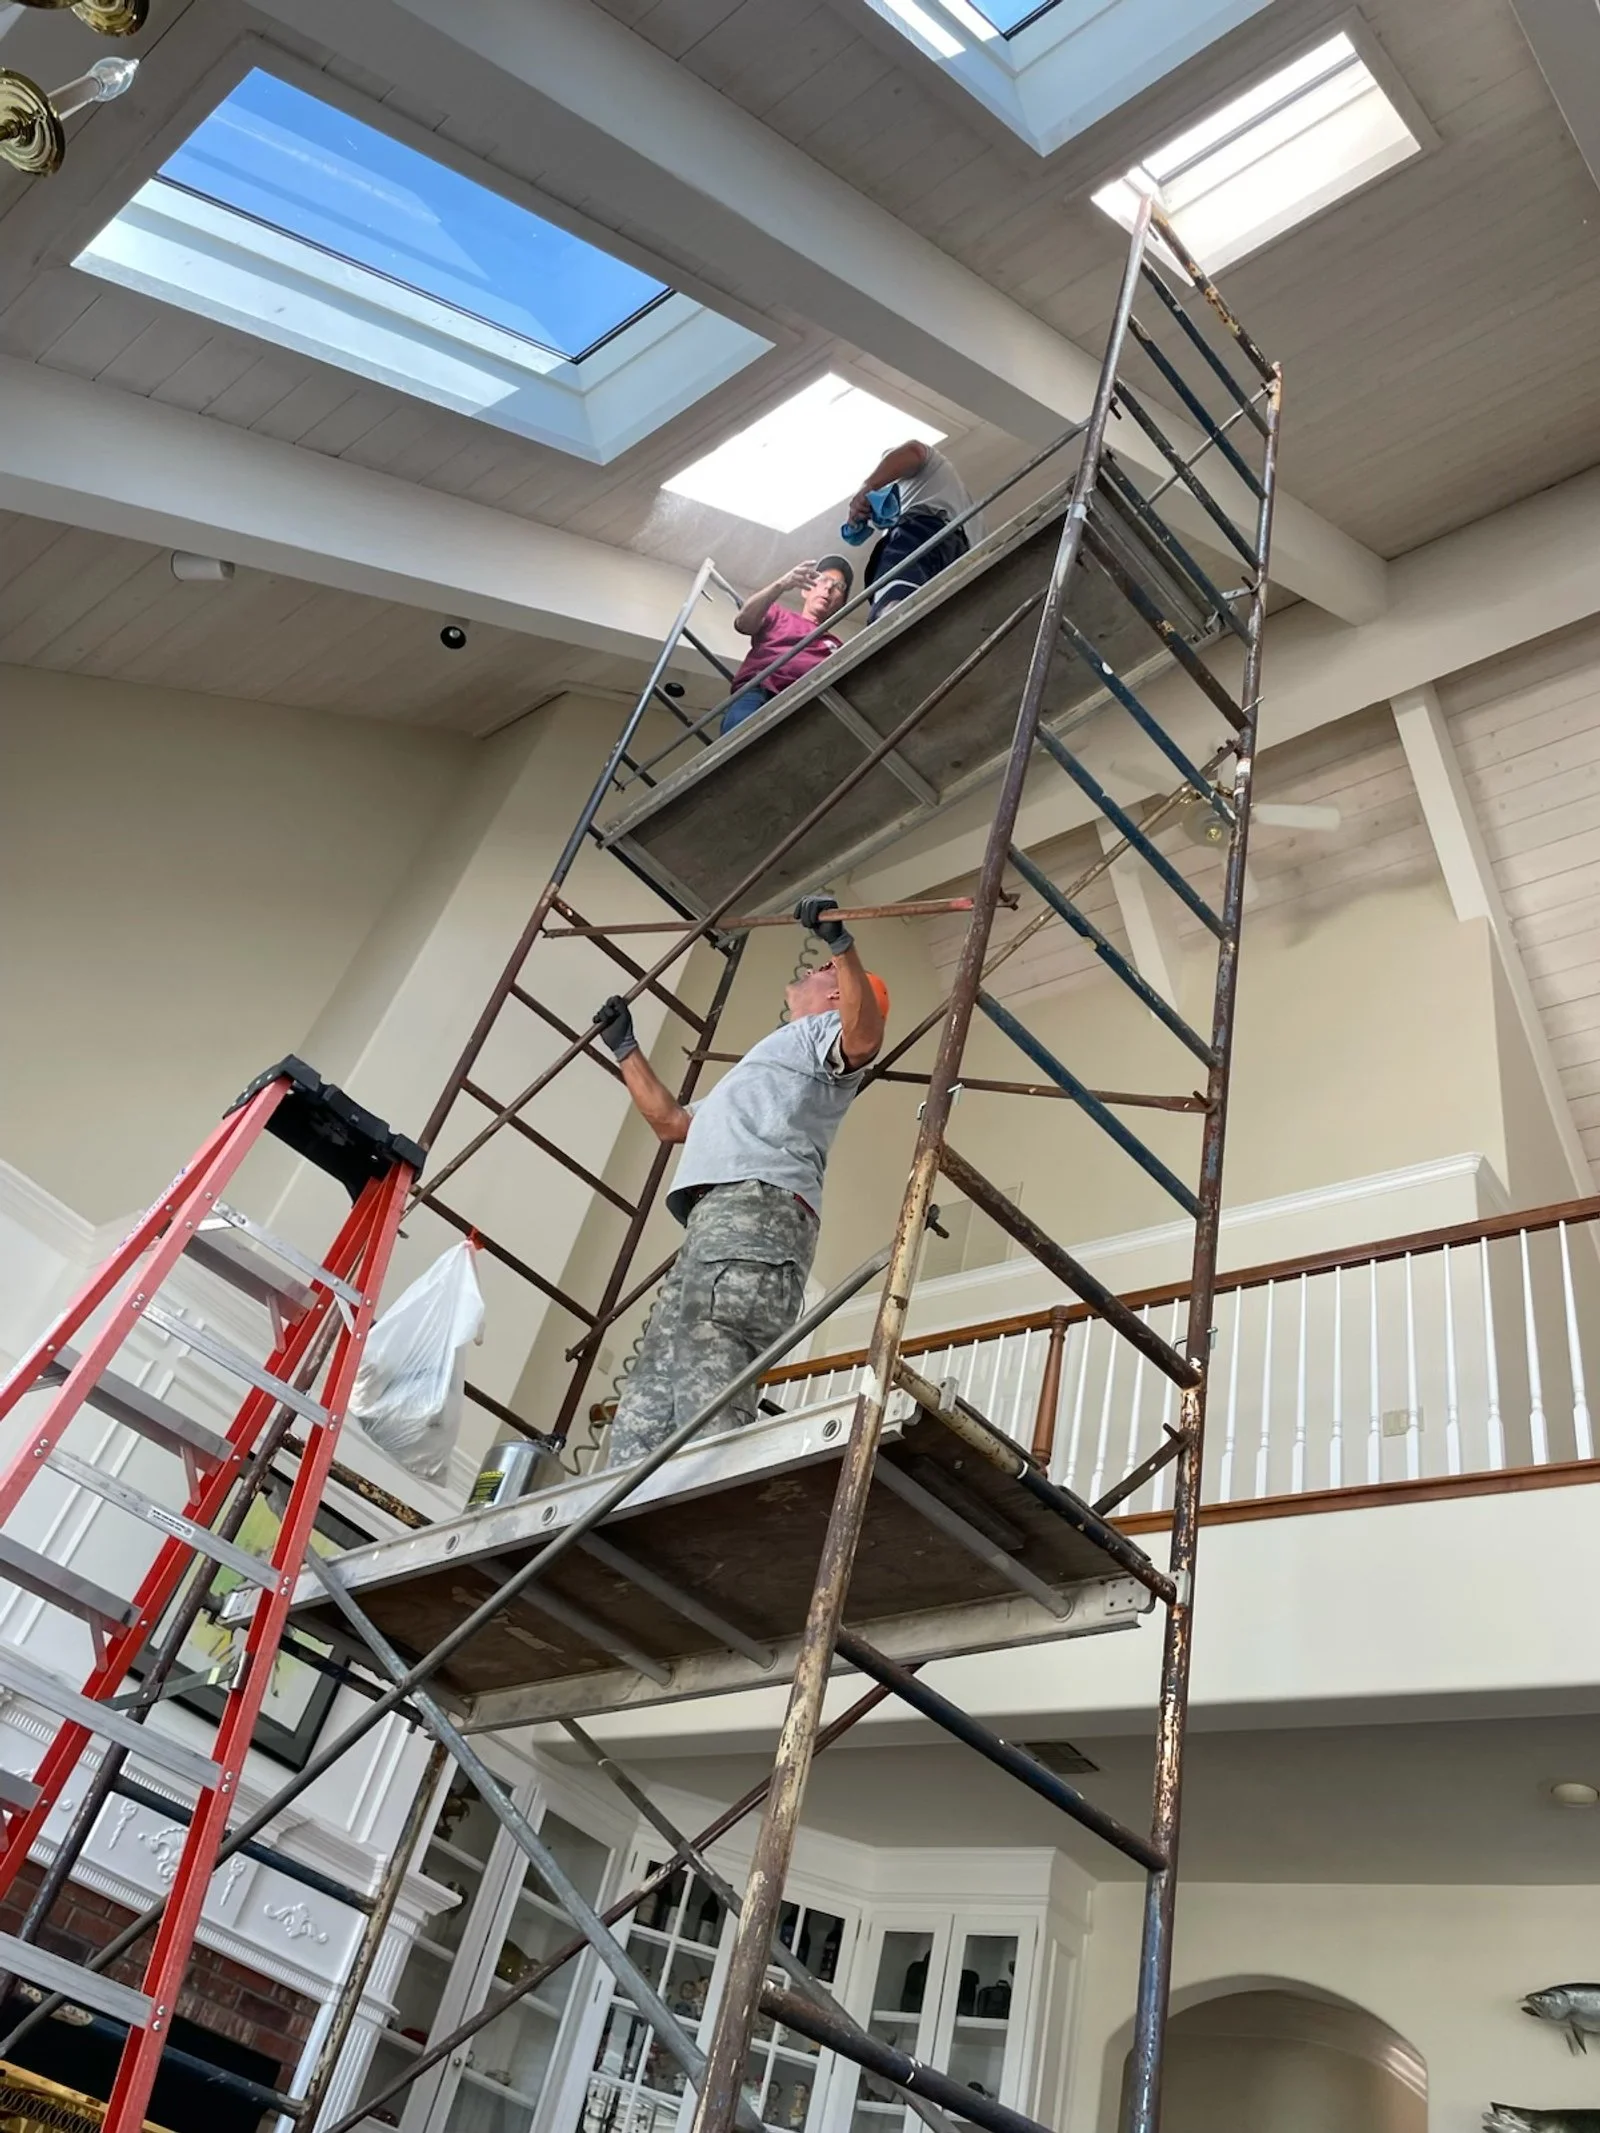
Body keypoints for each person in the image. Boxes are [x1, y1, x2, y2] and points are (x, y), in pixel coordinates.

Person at [594, 894, 888, 1465]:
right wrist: (626, 1050)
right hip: (714, 1220)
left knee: (714, 1360)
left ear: (837, 996)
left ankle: (712, 1489)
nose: (812, 968)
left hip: (756, 1210)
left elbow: (864, 1039)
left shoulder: (824, 1034)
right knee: (654, 1390)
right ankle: (626, 1497)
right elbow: (673, 1123)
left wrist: (841, 945)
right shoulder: (766, 1065)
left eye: (823, 970)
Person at [846, 441, 984, 620]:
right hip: (961, 559)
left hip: (926, 534)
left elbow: (913, 451)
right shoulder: (964, 509)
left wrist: (869, 486)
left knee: (898, 577)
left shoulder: (931, 465)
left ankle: (894, 609)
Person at [719, 556, 853, 734]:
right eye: (823, 579)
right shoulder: (779, 615)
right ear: (806, 590)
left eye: (839, 586)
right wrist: (781, 584)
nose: (828, 587)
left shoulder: (836, 646)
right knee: (741, 745)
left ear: (842, 603)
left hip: (806, 709)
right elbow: (744, 624)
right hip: (759, 695)